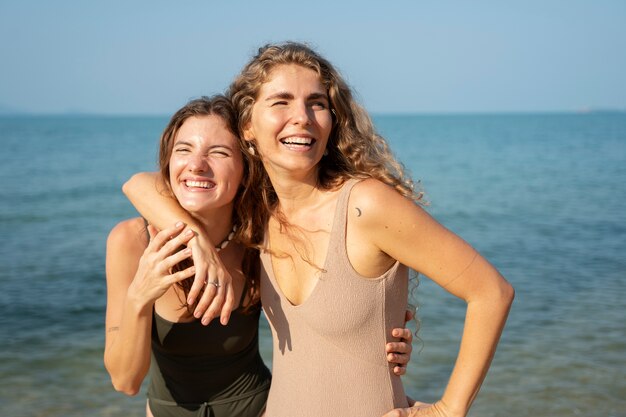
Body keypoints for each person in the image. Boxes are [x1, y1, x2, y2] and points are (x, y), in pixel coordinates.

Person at [125, 42, 514, 417]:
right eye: (281, 102)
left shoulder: (365, 205)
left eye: (318, 103)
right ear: (247, 126)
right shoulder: (259, 216)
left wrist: (449, 408)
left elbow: (490, 292)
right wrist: (195, 239)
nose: (303, 117)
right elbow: (141, 184)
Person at [106, 96, 414, 417]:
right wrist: (139, 298)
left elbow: (323, 314)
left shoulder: (260, 238)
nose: (196, 164)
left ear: (245, 169)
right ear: (168, 162)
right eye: (184, 150)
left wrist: (376, 339)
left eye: (219, 152)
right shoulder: (132, 241)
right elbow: (125, 381)